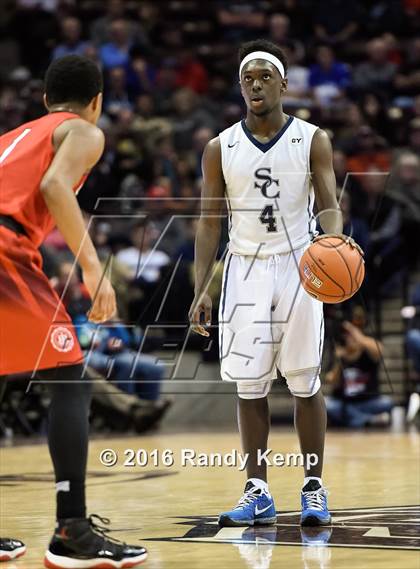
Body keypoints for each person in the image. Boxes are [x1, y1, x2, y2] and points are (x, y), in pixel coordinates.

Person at [189, 39, 362, 528]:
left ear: (284, 83)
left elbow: (329, 201)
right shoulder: (218, 147)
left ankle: (313, 488)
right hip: (244, 267)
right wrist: (202, 287)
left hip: (299, 263)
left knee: (305, 381)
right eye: (248, 78)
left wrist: (334, 243)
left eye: (265, 76)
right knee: (250, 386)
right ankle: (258, 490)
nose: (256, 85)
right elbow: (207, 222)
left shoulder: (312, 138)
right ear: (239, 85)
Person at [0, 55, 147, 567]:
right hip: (3, 249)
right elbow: (53, 187)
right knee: (69, 377)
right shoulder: (82, 130)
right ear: (97, 102)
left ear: (44, 99)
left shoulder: (13, 138)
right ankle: (72, 530)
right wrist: (92, 268)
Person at [325, 319, 393, 428]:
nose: (350, 338)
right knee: (327, 405)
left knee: (387, 402)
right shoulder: (340, 357)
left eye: (352, 336)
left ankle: (352, 419)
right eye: (347, 336)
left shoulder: (368, 354)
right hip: (344, 403)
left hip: (368, 402)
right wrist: (339, 362)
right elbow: (332, 381)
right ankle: (366, 420)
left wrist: (353, 331)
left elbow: (380, 349)